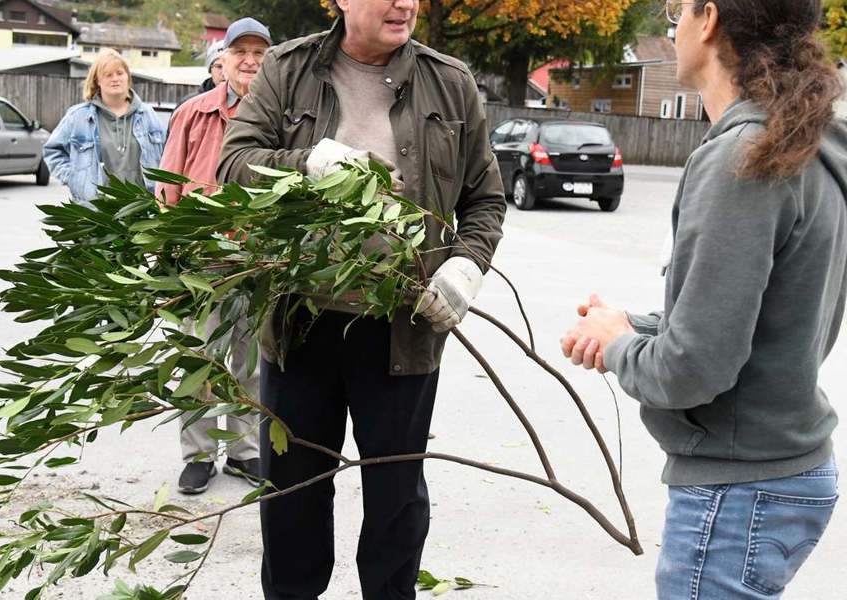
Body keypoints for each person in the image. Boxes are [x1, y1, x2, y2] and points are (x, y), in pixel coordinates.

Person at [217, 0, 505, 597]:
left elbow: (485, 199)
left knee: (396, 500)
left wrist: (465, 266)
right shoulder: (286, 70)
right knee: (293, 495)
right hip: (300, 325)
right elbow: (234, 164)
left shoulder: (449, 84)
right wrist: (309, 164)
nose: (405, 4)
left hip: (402, 328)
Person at [561, 1, 846, 599]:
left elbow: (692, 371)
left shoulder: (746, 157)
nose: (675, 23)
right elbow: (762, 319)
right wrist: (626, 326)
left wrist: (620, 349)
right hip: (784, 472)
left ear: (709, 18)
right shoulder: (802, 140)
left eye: (676, 8)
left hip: (740, 491)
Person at [157, 18, 273, 494]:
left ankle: (244, 451)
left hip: (255, 260)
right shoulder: (194, 113)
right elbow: (167, 182)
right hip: (200, 260)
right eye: (239, 52)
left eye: (259, 53)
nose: (249, 60)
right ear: (220, 59)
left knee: (250, 361)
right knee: (200, 358)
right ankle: (199, 455)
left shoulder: (276, 118)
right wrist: (169, 251)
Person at [43, 48, 166, 207]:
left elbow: (168, 155)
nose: (115, 79)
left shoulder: (148, 114)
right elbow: (52, 150)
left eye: (120, 73)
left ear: (128, 77)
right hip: (96, 210)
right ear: (97, 81)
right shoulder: (78, 116)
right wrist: (74, 178)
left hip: (142, 208)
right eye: (108, 75)